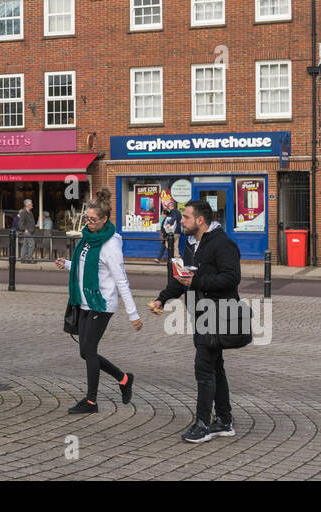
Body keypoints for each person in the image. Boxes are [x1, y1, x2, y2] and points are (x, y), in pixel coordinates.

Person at [148, 198, 241, 443]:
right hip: (200, 314)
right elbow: (182, 278)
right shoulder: (190, 244)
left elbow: (232, 278)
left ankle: (202, 424)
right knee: (215, 367)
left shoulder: (222, 244)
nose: (182, 221)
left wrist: (198, 282)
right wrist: (162, 299)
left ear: (200, 220)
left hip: (219, 313)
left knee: (204, 368)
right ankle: (224, 420)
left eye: (186, 217)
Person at [56, 189, 140, 414]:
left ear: (104, 219)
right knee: (85, 351)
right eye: (87, 218)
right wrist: (67, 264)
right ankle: (123, 379)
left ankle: (91, 401)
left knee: (89, 350)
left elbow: (121, 280)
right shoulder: (87, 238)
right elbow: (85, 266)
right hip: (83, 301)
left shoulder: (111, 244)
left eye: (94, 220)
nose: (89, 223)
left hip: (101, 304)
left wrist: (133, 314)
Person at [156, 193, 181, 266]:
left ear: (171, 206)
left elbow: (173, 218)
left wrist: (169, 224)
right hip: (178, 231)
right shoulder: (178, 212)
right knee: (175, 245)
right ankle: (177, 258)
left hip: (174, 231)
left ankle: (173, 258)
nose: (168, 207)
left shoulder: (173, 212)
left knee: (168, 243)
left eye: (169, 206)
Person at [16, 199, 37, 263]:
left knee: (25, 244)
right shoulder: (23, 212)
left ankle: (22, 258)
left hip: (30, 231)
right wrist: (25, 230)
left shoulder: (30, 212)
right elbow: (20, 224)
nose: (32, 205)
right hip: (27, 232)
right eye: (31, 204)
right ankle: (29, 258)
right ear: (28, 205)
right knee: (32, 244)